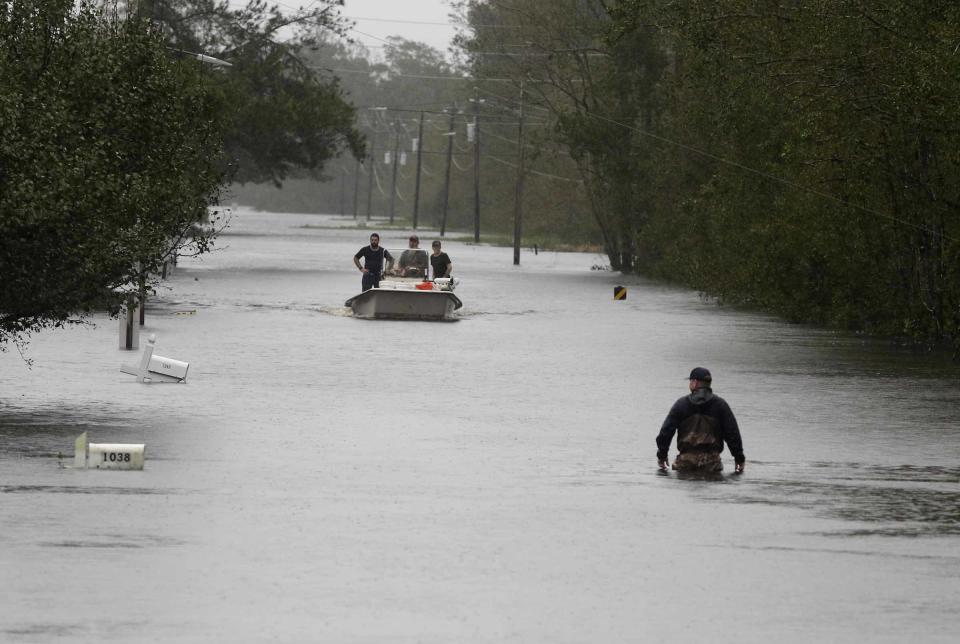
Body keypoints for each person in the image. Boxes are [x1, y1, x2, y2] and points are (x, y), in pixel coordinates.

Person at [656, 367, 745, 473]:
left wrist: (662, 455)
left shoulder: (681, 404)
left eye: (690, 381)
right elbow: (732, 434)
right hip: (712, 465)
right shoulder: (720, 405)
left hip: (685, 463)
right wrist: (739, 458)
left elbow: (666, 432)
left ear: (695, 382)